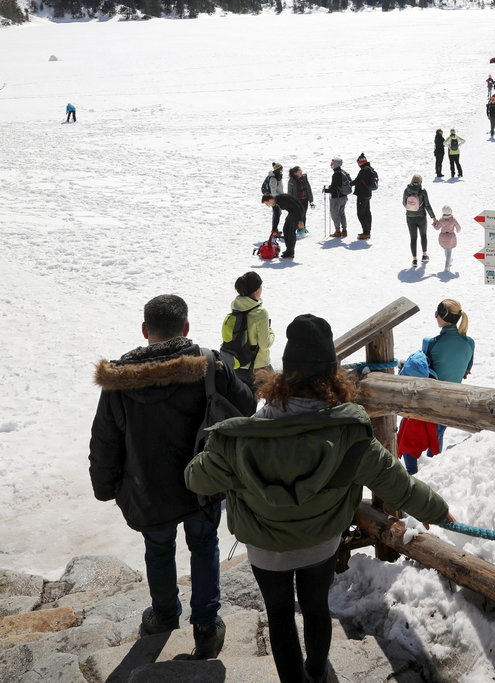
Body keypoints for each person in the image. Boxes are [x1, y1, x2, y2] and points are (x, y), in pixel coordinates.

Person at [185, 314, 454, 683]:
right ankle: (317, 672)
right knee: (315, 607)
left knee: (278, 614)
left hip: (265, 545)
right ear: (333, 376)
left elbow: (196, 479)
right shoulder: (349, 433)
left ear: (284, 374)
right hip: (321, 540)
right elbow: (398, 484)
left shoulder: (238, 439)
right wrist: (438, 511)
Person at [89, 294, 255, 659]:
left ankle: (164, 616)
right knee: (204, 544)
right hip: (203, 482)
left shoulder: (119, 381)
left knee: (158, 548)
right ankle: (207, 626)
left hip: (146, 488)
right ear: (187, 328)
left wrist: (105, 486)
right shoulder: (211, 365)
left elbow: (105, 439)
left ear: (146, 330)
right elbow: (246, 406)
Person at [423, 299, 474, 453]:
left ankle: (428, 463)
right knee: (438, 432)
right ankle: (433, 459)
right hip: (455, 397)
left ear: (440, 316)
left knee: (431, 433)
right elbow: (467, 369)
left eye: (436, 313)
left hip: (432, 398)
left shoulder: (432, 343)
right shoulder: (469, 342)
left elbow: (424, 372)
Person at [221, 271, 274, 389]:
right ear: (256, 290)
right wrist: (271, 332)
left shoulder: (236, 307)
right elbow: (264, 344)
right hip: (258, 366)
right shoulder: (260, 313)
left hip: (239, 363)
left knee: (247, 402)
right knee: (277, 397)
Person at [396, 350, 439, 475]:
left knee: (410, 464)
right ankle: (430, 464)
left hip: (412, 429)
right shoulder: (432, 378)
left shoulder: (407, 387)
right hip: (423, 425)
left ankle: (413, 476)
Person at [403, 173, 436, 266]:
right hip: (421, 217)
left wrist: (411, 208)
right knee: (423, 236)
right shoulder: (422, 191)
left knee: (413, 238)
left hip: (410, 217)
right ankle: (424, 256)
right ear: (421, 181)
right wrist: (433, 217)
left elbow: (404, 203)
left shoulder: (406, 190)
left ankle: (414, 260)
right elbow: (427, 206)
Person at [262, 192, 304, 259]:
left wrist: (300, 220)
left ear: (270, 200)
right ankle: (288, 250)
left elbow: (297, 206)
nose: (268, 205)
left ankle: (290, 252)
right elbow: (276, 216)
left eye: (267, 204)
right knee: (285, 229)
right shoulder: (275, 204)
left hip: (298, 210)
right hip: (292, 212)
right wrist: (274, 229)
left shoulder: (282, 199)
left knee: (291, 231)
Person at [323, 157, 349, 238]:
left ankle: (338, 232)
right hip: (344, 197)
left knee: (335, 215)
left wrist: (326, 190)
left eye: (332, 163)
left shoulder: (336, 174)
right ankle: (344, 231)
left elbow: (333, 188)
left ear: (336, 164)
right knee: (342, 213)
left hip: (336, 198)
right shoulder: (343, 172)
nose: (331, 165)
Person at [352, 153, 376, 240]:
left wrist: (350, 183)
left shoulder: (364, 170)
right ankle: (367, 231)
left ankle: (366, 233)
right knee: (367, 212)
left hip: (362, 194)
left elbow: (358, 180)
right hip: (368, 194)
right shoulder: (369, 168)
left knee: (360, 213)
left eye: (358, 162)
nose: (358, 164)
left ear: (361, 162)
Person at [432, 205, 461, 272]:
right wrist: (457, 231)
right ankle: (447, 266)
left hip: (442, 236)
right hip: (450, 237)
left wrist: (434, 224)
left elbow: (437, 228)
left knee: (446, 249)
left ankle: (449, 259)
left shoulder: (441, 220)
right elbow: (458, 228)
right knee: (449, 252)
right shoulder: (453, 219)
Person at [287, 166, 314, 233]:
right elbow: (290, 192)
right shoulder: (292, 181)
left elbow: (308, 189)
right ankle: (298, 229)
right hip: (297, 201)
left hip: (305, 200)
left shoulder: (304, 178)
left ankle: (303, 228)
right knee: (299, 215)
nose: (301, 172)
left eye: (301, 171)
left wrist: (311, 200)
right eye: (299, 171)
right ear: (295, 173)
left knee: (304, 215)